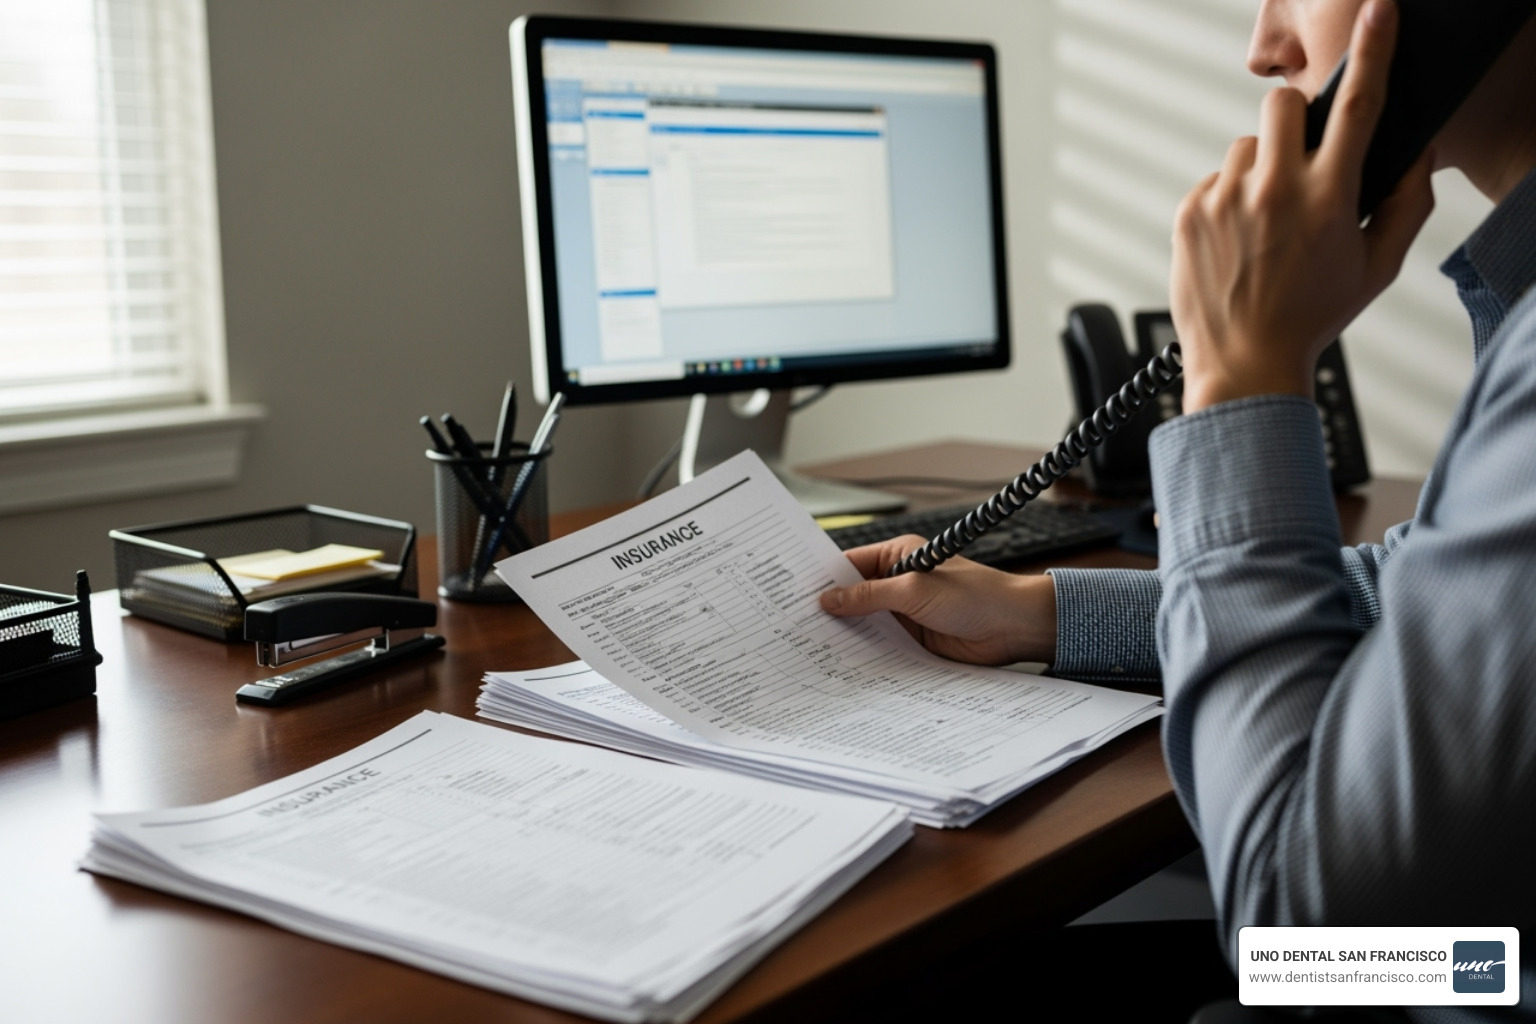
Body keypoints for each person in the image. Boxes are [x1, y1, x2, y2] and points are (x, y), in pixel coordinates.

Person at [820, 0, 1536, 1015]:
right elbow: (1434, 596)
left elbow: (1301, 933)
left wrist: (1241, 378)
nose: (1266, 47)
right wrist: (1043, 611)